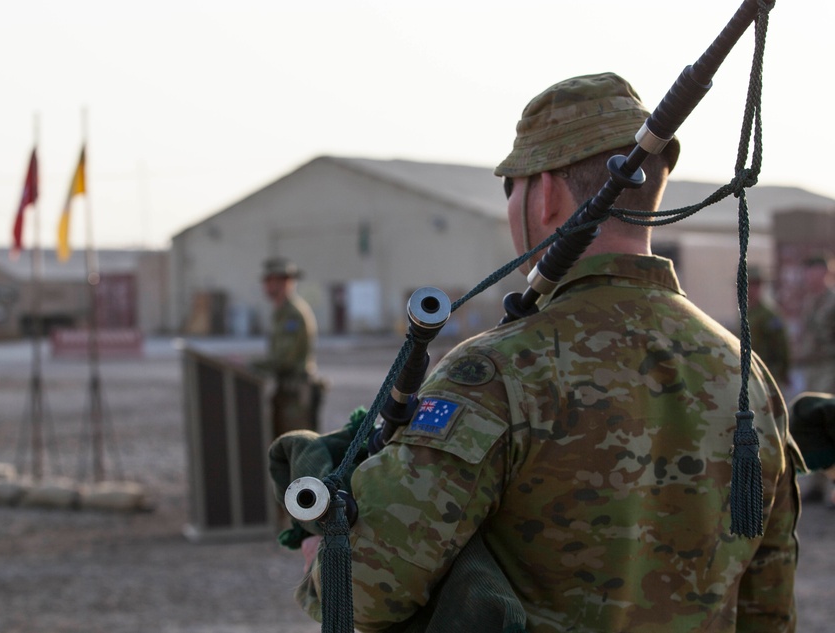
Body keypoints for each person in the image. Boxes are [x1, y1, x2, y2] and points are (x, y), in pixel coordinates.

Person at [293, 73, 801, 632]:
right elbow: (768, 607)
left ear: (547, 193)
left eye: (511, 187)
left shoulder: (496, 371)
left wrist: (329, 542)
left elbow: (363, 593)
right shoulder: (745, 372)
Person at [253, 257, 321, 438]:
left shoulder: (293, 314)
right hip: (286, 392)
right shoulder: (280, 312)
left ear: (285, 283)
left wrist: (249, 364)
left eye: (271, 281)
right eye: (266, 281)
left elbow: (284, 359)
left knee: (297, 448)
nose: (266, 286)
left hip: (296, 395)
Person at [794, 254, 835, 503]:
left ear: (824, 273)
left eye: (814, 272)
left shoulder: (832, 302)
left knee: (829, 424)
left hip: (830, 367)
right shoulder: (812, 302)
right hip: (812, 368)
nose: (809, 277)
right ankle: (816, 484)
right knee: (814, 425)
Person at [746, 265, 791, 389]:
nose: (750, 289)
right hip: (748, 373)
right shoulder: (746, 313)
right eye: (747, 285)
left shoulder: (769, 315)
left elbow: (781, 346)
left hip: (767, 373)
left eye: (754, 285)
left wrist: (783, 373)